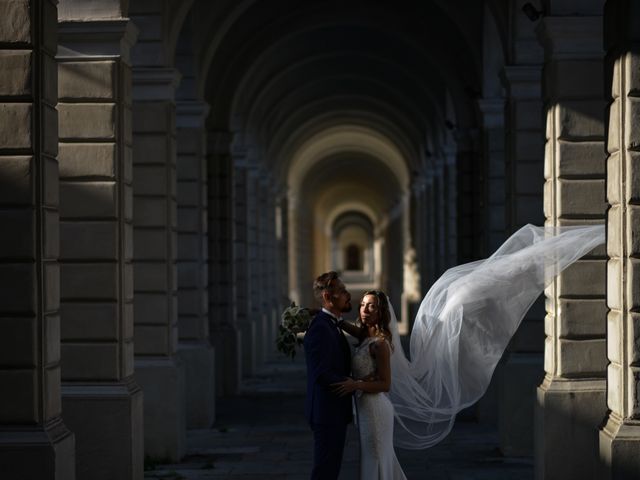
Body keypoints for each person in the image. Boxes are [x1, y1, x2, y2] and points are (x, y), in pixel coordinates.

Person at [332, 290, 407, 480]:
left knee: (375, 459)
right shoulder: (366, 336)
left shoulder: (380, 344)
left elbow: (385, 384)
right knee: (371, 458)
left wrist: (356, 384)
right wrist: (328, 316)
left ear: (380, 312)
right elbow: (350, 328)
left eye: (371, 305)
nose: (364, 309)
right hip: (365, 410)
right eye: (363, 304)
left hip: (376, 411)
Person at [303, 271, 353, 480]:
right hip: (327, 413)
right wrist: (355, 385)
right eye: (341, 291)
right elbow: (321, 373)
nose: (347, 294)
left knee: (330, 470)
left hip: (334, 412)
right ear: (327, 297)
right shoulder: (320, 328)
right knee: (325, 472)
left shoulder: (330, 323)